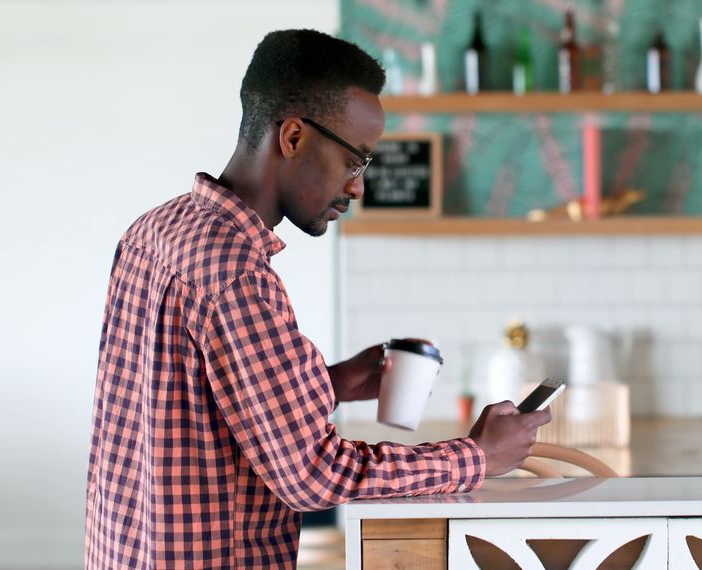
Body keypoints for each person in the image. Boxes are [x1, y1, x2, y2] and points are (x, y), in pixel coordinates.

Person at [85, 29, 551, 568]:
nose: (357, 187)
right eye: (356, 160)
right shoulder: (235, 274)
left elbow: (198, 413)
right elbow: (313, 474)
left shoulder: (154, 231)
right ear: (292, 138)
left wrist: (334, 383)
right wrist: (478, 457)